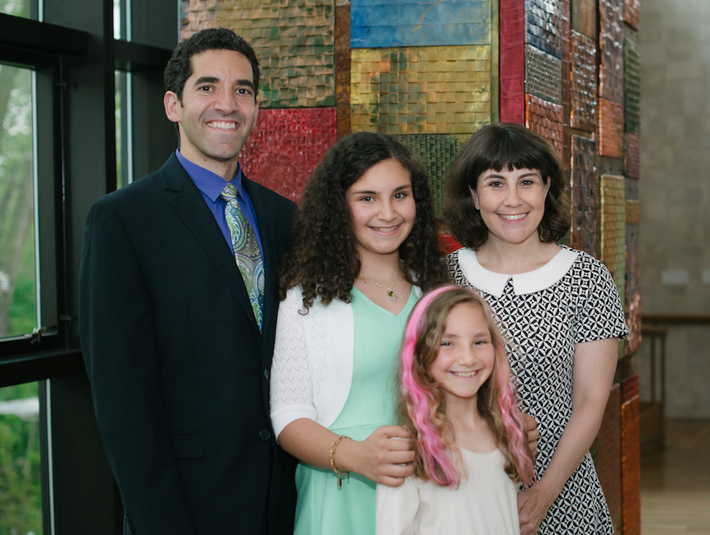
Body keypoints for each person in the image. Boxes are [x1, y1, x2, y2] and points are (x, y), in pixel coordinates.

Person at [78, 28, 297, 535]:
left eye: (242, 90)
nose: (228, 103)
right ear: (173, 104)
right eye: (207, 87)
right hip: (187, 509)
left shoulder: (284, 217)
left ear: (257, 107)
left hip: (285, 500)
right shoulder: (122, 221)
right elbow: (122, 399)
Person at [443, 122, 629, 535]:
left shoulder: (587, 278)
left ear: (547, 187)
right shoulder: (444, 278)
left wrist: (544, 493)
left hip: (564, 494)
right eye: (495, 183)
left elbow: (590, 401)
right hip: (462, 493)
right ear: (474, 195)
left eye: (526, 181)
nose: (513, 200)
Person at [268, 131, 448, 534]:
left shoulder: (436, 293)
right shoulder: (305, 300)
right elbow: (288, 417)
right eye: (367, 198)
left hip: (427, 497)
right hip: (340, 497)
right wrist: (358, 456)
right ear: (338, 208)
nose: (388, 212)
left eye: (400, 195)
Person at [375, 285, 535, 535]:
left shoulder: (507, 434)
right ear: (420, 356)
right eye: (448, 343)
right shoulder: (406, 451)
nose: (468, 358)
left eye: (479, 342)